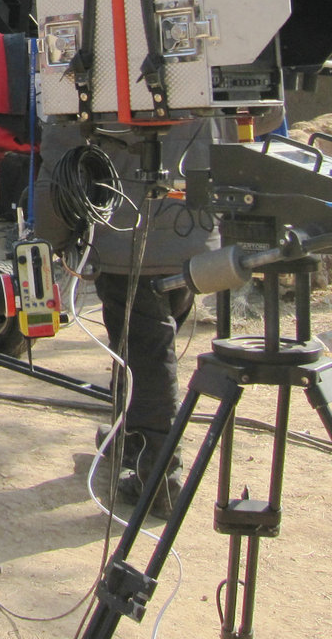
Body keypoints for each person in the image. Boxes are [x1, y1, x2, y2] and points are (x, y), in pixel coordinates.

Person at [34, 120, 217, 519]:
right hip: (194, 238)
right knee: (138, 350)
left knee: (147, 358)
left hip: (127, 242)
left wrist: (50, 242)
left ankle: (159, 480)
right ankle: (128, 439)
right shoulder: (201, 65)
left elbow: (59, 170)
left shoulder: (85, 75)